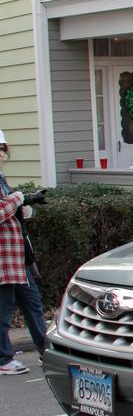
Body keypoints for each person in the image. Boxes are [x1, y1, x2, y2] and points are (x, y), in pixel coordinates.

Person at [0, 131, 48, 375]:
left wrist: (24, 208)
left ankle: (47, 351)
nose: (0, 153)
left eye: (2, 148)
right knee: (4, 309)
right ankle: (3, 359)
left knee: (33, 303)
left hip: (17, 256)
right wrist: (19, 198)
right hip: (3, 258)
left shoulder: (1, 176)